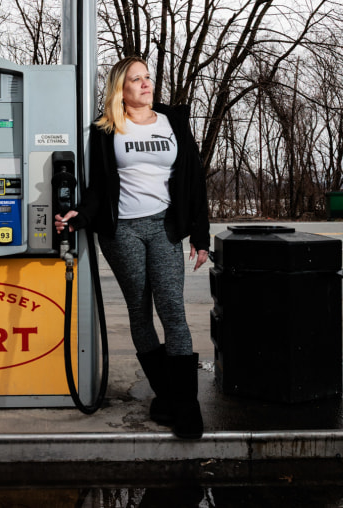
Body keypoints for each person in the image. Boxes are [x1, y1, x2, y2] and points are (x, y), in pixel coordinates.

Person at [54, 56, 210, 439]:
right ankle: (167, 396)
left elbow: (194, 180)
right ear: (120, 90)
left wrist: (201, 236)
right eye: (135, 80)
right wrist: (79, 217)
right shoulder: (106, 130)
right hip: (121, 231)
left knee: (172, 309)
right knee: (140, 312)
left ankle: (186, 409)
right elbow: (97, 189)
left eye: (147, 78)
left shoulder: (173, 123)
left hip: (165, 227)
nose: (145, 84)